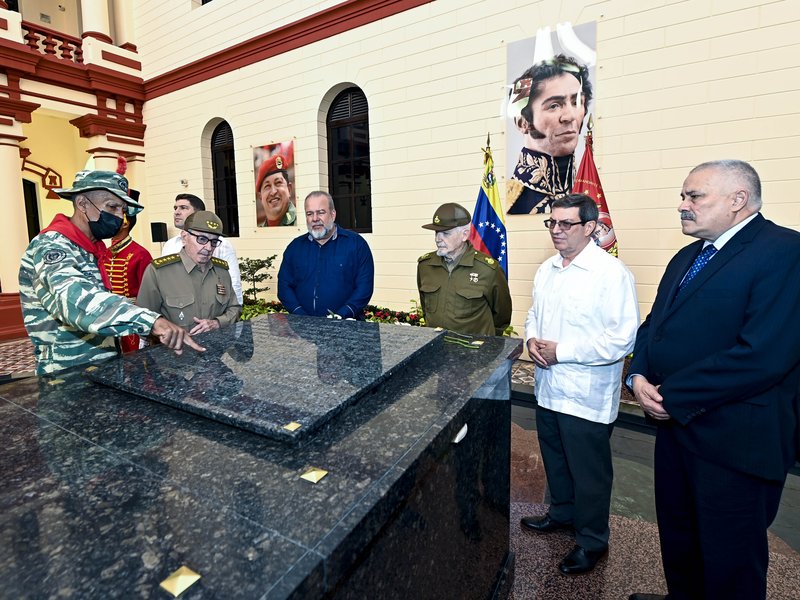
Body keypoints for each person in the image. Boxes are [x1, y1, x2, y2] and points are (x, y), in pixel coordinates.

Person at [627, 160, 800, 600]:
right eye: (683, 196)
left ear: (738, 200)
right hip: (677, 431)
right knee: (680, 544)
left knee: (730, 561)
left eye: (694, 196)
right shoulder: (688, 256)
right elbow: (653, 326)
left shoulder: (785, 251)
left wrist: (673, 395)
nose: (682, 205)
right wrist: (638, 374)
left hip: (736, 440)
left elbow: (764, 355)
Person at [520, 194, 639, 575]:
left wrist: (562, 351)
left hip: (586, 396)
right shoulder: (546, 270)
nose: (556, 230)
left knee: (589, 474)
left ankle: (591, 541)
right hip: (548, 388)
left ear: (590, 227)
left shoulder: (611, 273)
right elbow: (534, 315)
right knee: (555, 461)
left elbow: (622, 339)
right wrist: (531, 341)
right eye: (551, 223)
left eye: (565, 224)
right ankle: (561, 514)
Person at [19, 170, 204, 375]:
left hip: (99, 367)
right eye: (112, 206)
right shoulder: (52, 247)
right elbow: (74, 300)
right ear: (82, 204)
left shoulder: (90, 248)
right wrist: (150, 321)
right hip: (66, 373)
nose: (119, 216)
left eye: (122, 209)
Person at [506, 54, 592, 215]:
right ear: (522, 122)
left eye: (576, 102)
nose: (570, 116)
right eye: (554, 105)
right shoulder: (507, 201)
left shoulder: (589, 190)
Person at [138, 210, 242, 334]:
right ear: (184, 237)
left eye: (214, 242)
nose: (208, 248)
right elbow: (143, 319)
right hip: (174, 351)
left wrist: (217, 323)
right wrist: (167, 334)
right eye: (202, 239)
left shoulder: (222, 272)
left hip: (215, 350)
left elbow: (234, 308)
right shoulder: (159, 272)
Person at [417, 203, 512, 336]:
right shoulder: (425, 266)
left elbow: (501, 317)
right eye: (437, 232)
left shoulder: (488, 269)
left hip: (474, 349)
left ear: (464, 234)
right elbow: (426, 309)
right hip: (436, 346)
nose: (438, 239)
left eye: (446, 233)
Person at [278, 191, 373, 318]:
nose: (315, 218)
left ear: (333, 215)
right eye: (309, 213)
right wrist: (300, 314)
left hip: (347, 327)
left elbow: (364, 288)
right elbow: (284, 286)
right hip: (303, 328)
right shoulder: (295, 248)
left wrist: (339, 316)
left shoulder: (356, 245)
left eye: (321, 212)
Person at [162, 193, 243, 304]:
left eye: (183, 208)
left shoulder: (222, 244)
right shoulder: (170, 245)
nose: (176, 212)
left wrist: (235, 313)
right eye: (175, 208)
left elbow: (233, 282)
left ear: (198, 214)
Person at [103, 189, 152, 352]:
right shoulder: (104, 253)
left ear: (125, 221)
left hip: (131, 321)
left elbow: (149, 295)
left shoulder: (140, 254)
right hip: (107, 321)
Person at [256, 152, 296, 227]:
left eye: (278, 183)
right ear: (260, 197)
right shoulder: (260, 230)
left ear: (289, 189)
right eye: (267, 186)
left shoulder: (302, 223)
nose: (273, 192)